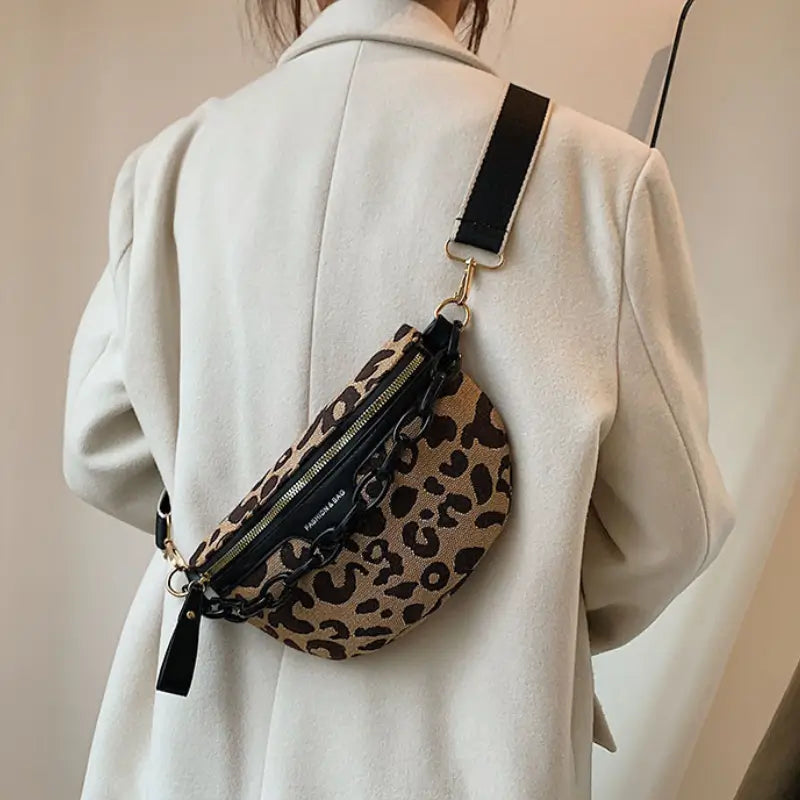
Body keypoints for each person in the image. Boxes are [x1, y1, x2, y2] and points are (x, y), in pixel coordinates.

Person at [62, 0, 736, 797]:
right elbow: (671, 528)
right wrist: (524, 592)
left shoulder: (172, 166)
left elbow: (99, 451)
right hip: (465, 755)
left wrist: (245, 523)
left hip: (198, 740)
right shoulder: (598, 178)